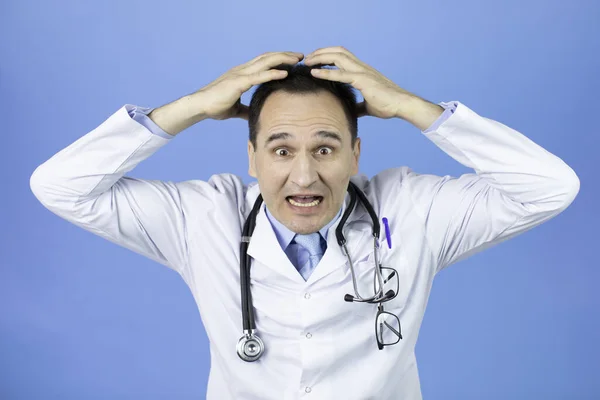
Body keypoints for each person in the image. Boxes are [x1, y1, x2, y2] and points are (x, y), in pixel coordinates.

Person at [29, 47, 580, 399]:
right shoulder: (203, 218)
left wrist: (412, 105)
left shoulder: (412, 210)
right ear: (251, 158)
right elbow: (59, 186)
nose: (304, 175)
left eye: (325, 148)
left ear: (356, 154)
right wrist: (194, 105)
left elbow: (550, 187)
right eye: (281, 149)